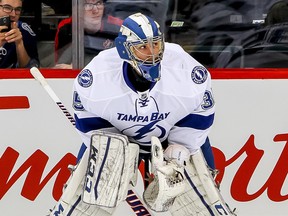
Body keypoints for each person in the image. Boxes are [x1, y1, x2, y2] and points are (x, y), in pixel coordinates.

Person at [49, 13, 223, 215]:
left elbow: (202, 111)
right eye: (143, 47)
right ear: (125, 49)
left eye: (156, 45)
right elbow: (86, 116)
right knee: (87, 202)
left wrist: (181, 148)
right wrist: (111, 148)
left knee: (201, 204)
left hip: (173, 137)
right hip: (116, 137)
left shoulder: (185, 69)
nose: (152, 54)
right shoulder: (98, 76)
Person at [54, 0, 123, 69]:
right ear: (77, 8)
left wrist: (84, 68)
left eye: (99, 3)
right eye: (88, 5)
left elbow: (124, 65)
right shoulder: (66, 27)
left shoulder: (118, 26)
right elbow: (60, 67)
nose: (95, 10)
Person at [0, 0, 39, 68]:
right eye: (7, 8)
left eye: (18, 9)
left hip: (11, 77)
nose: (13, 14)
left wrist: (19, 44)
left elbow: (33, 68)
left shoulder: (24, 30)